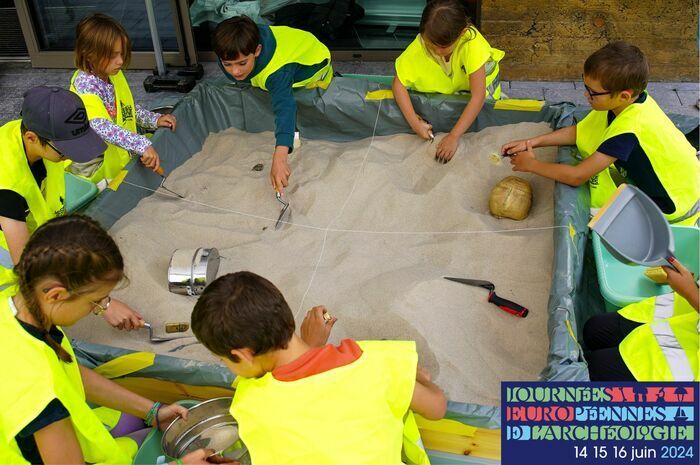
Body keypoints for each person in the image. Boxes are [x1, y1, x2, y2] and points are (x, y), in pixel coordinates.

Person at [0, 215, 235, 465]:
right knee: (151, 443)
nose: (99, 309)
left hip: (64, 433)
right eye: (96, 301)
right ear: (57, 295)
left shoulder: (19, 310)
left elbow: (68, 372)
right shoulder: (38, 390)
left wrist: (152, 411)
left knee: (140, 423)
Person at [191, 271, 447, 465]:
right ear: (288, 317)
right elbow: (437, 408)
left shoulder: (249, 404)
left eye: (222, 359)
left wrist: (312, 347)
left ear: (243, 354)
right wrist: (415, 375)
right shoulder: (376, 361)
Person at [502, 41, 700, 225]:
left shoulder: (628, 131)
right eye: (585, 86)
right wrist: (532, 142)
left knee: (596, 218)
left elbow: (576, 176)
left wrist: (531, 165)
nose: (585, 95)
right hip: (687, 179)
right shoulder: (624, 104)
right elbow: (579, 132)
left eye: (593, 93)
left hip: (673, 206)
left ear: (624, 95)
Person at [0, 86, 142, 330]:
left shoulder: (33, 133)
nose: (70, 157)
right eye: (65, 150)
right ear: (31, 138)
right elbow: (29, 271)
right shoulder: (7, 185)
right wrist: (102, 303)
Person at [212, 15, 333, 195]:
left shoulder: (277, 72)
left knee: (282, 94)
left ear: (258, 50)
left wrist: (280, 157)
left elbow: (285, 108)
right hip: (292, 47)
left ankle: (295, 138)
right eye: (228, 64)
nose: (235, 71)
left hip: (314, 63)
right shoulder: (238, 46)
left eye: (242, 63)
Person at [393, 0, 504, 163]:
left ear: (462, 33)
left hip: (477, 90)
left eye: (443, 47)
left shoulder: (472, 44)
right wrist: (415, 123)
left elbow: (478, 96)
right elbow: (398, 84)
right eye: (431, 45)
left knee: (487, 114)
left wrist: (454, 136)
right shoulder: (422, 43)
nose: (437, 51)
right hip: (452, 86)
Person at [71, 13, 176, 184]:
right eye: (112, 56)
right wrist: (140, 144)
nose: (120, 61)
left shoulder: (111, 74)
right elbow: (100, 126)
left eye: (122, 54)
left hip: (116, 154)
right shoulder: (86, 85)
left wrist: (153, 119)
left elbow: (127, 108)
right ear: (89, 54)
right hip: (92, 166)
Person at [584, 257, 699, 381]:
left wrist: (690, 292)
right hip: (682, 316)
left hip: (682, 370)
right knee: (593, 330)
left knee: (595, 369)